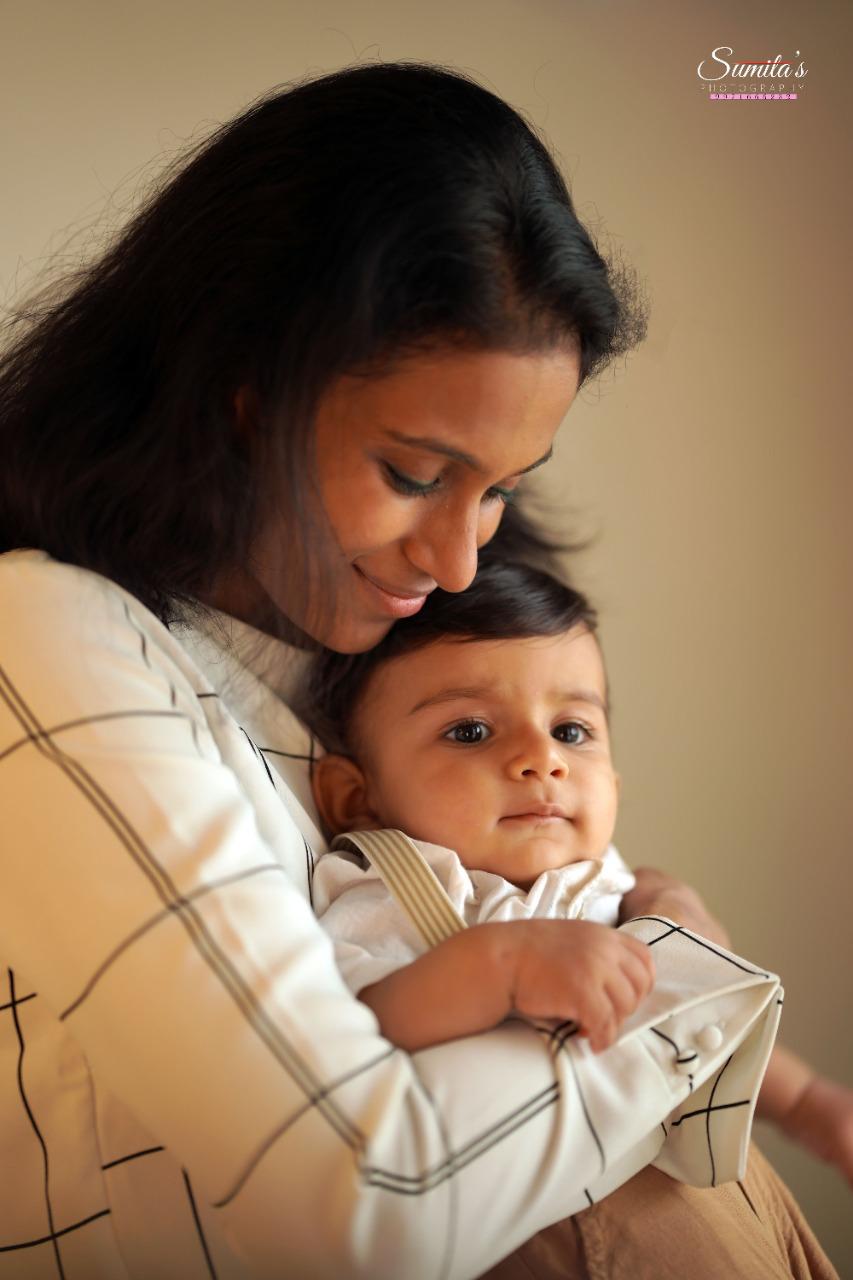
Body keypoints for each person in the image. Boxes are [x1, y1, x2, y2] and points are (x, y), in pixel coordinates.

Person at [0, 59, 836, 1280]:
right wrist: (680, 985)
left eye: (496, 488)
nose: (454, 558)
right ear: (244, 393)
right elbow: (362, 1204)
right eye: (410, 472)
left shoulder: (393, 642)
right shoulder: (52, 638)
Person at [302, 557, 853, 1185]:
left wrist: (804, 1101)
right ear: (357, 798)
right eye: (471, 730)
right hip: (523, 1199)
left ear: (614, 782)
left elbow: (681, 1015)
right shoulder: (394, 884)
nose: (543, 758)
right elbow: (358, 1026)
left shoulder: (611, 885)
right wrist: (499, 967)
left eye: (571, 729)